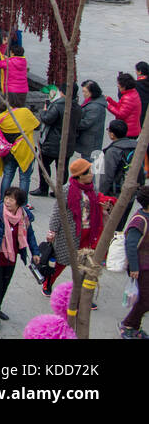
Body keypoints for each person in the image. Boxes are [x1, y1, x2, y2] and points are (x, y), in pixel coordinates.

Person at [0, 186, 42, 331]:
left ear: (19, 202)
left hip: (12, 256)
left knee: (5, 284)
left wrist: (35, 252)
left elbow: (30, 235)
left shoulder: (24, 216)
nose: (8, 201)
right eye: (6, 198)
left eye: (11, 199)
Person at [44, 157, 105, 294]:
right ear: (80, 176)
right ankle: (48, 283)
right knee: (61, 262)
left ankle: (83, 295)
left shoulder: (92, 189)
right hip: (70, 233)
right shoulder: (67, 190)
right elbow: (57, 211)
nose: (92, 174)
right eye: (89, 172)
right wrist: (52, 230)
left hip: (88, 232)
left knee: (85, 264)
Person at [33, 90, 78, 198]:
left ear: (62, 93)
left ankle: (44, 188)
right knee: (62, 167)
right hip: (69, 142)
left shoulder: (57, 106)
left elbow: (47, 119)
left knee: (44, 165)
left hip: (52, 142)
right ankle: (60, 191)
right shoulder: (77, 108)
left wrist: (44, 111)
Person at [101, 119, 143, 230]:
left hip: (114, 195)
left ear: (112, 134)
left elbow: (106, 177)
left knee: (109, 226)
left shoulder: (113, 151)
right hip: (131, 193)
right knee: (120, 226)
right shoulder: (136, 147)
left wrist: (100, 196)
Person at [119, 184, 149, 338]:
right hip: (142, 268)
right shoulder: (140, 220)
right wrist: (134, 269)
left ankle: (134, 327)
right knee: (145, 300)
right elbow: (130, 246)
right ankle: (128, 325)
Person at [0, 100, 40, 199]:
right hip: (24, 150)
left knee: (7, 175)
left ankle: (3, 200)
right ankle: (22, 204)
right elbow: (37, 125)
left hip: (8, 151)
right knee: (24, 178)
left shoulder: (2, 116)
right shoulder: (25, 112)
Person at [0, 41, 29, 110]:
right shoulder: (24, 61)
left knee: (9, 110)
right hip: (23, 91)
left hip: (12, 91)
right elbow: (15, 61)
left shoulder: (8, 62)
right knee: (20, 110)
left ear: (12, 53)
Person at [74, 79, 107, 160]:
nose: (83, 94)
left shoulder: (95, 107)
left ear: (92, 92)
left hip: (91, 144)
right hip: (88, 141)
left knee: (89, 164)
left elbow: (85, 123)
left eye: (85, 92)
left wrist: (72, 123)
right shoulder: (90, 101)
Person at [109, 72, 143, 138]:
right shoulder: (132, 93)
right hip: (133, 130)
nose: (117, 86)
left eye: (119, 84)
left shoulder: (128, 97)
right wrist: (109, 100)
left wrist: (108, 105)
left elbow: (121, 114)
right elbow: (121, 107)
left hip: (129, 132)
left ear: (124, 86)